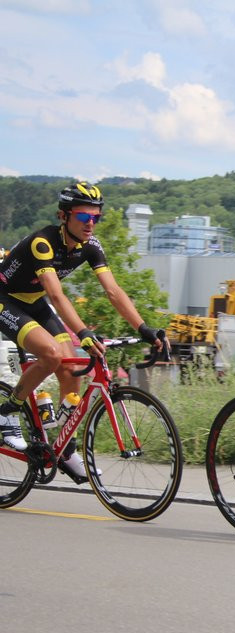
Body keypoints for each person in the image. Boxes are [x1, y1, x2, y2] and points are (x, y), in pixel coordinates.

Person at [0, 182, 169, 482]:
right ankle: (7, 411)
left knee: (74, 368)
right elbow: (57, 295)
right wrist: (83, 331)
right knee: (51, 355)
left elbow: (114, 292)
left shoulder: (92, 246)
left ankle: (65, 448)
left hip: (33, 301)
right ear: (63, 216)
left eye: (96, 217)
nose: (90, 223)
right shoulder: (43, 243)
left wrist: (144, 328)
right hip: (6, 300)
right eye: (83, 217)